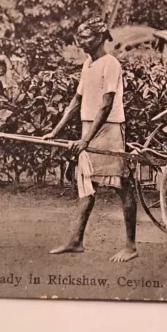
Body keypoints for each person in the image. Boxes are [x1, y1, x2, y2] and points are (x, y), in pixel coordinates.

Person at [42, 17, 138, 263]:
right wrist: (56, 130)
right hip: (90, 127)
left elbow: (106, 106)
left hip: (109, 129)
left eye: (85, 37)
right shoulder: (88, 64)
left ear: (98, 38)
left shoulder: (111, 63)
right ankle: (76, 241)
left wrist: (86, 139)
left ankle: (130, 245)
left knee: (121, 184)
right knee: (86, 185)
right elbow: (77, 100)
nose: (80, 41)